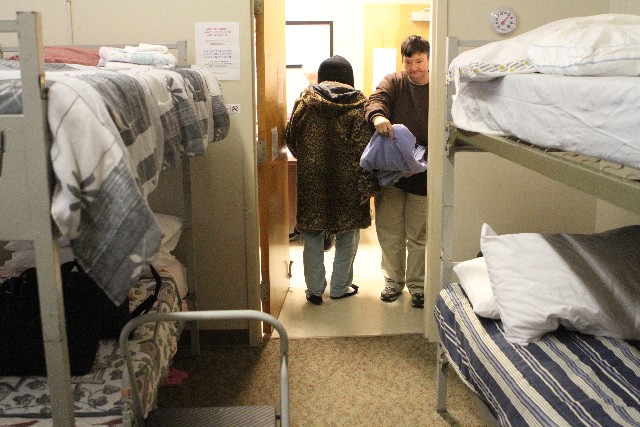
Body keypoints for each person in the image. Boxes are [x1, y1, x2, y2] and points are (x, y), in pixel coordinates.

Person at [286, 55, 379, 305]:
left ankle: (314, 290)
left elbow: (291, 137)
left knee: (313, 235)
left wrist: (308, 158)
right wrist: (368, 185)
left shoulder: (305, 103)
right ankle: (340, 287)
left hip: (312, 178)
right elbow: (365, 152)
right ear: (349, 79)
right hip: (347, 181)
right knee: (348, 235)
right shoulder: (360, 107)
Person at [364, 35, 430, 308]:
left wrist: (418, 164)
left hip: (425, 175)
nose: (414, 67)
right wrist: (378, 116)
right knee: (390, 232)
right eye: (408, 61)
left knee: (418, 235)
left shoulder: (440, 86)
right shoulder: (394, 81)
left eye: (419, 61)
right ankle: (392, 282)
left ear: (428, 58)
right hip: (392, 174)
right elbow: (375, 99)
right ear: (402, 61)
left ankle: (418, 286)